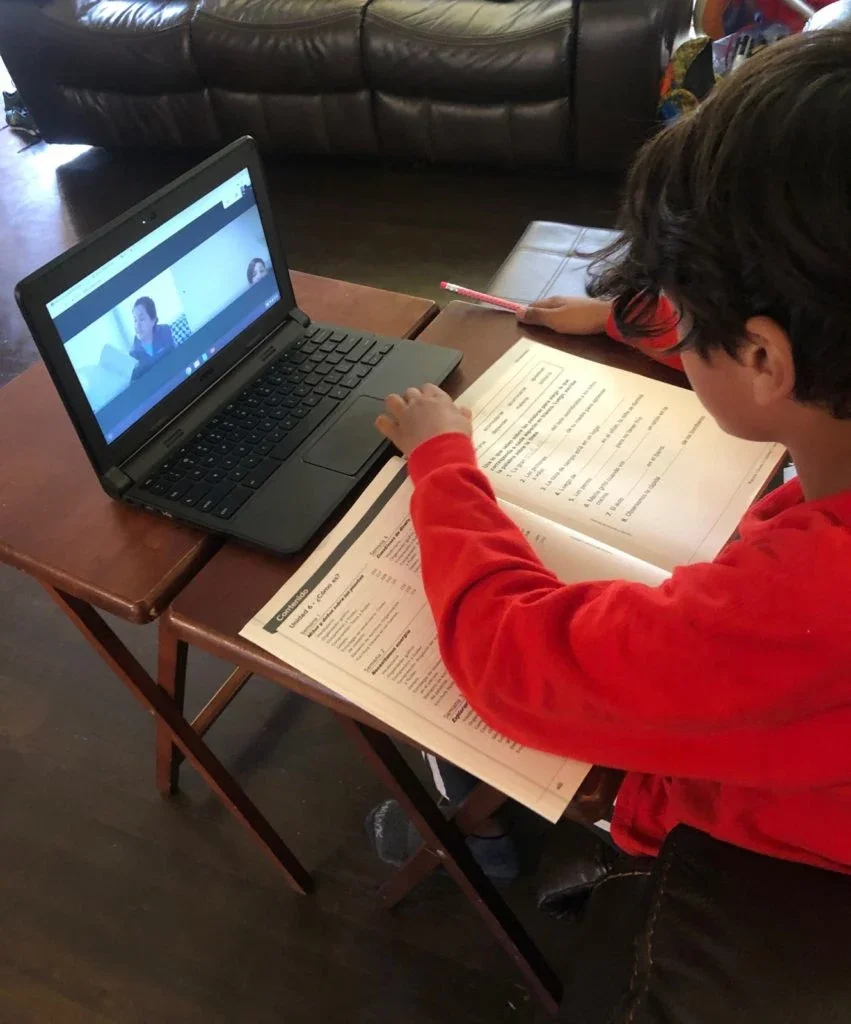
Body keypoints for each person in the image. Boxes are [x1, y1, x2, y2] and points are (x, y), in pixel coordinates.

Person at [367, 30, 851, 882]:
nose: (675, 320)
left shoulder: (802, 604)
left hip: (733, 825)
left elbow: (511, 666)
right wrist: (635, 320)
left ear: (765, 359)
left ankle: (471, 819)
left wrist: (442, 460)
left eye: (684, 309)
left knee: (453, 710)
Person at [129, 297, 175, 381]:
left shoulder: (165, 331)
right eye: (135, 320)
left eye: (142, 319)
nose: (137, 326)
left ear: (153, 320)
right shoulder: (133, 354)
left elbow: (174, 358)